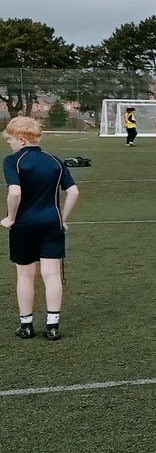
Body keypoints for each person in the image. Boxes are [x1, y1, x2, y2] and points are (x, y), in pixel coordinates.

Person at [2, 117, 81, 340]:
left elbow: (15, 192)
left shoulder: (12, 161)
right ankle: (52, 326)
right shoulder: (54, 160)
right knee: (52, 274)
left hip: (24, 225)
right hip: (51, 223)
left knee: (25, 275)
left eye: (10, 140)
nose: (9, 144)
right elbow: (73, 192)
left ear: (21, 140)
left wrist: (10, 217)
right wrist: (62, 219)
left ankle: (26, 326)